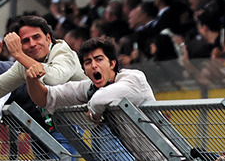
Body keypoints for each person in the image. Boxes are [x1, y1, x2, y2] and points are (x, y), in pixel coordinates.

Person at [25, 36, 154, 120]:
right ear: (84, 71)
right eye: (88, 62)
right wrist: (31, 80)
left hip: (161, 153)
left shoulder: (134, 78)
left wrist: (94, 114)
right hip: (136, 154)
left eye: (99, 59)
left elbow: (99, 100)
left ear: (112, 64)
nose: (93, 65)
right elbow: (45, 98)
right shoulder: (88, 87)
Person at [0, 15, 83, 102]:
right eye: (26, 41)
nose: (32, 44)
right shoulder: (23, 62)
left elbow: (54, 79)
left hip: (88, 118)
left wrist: (19, 54)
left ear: (48, 38)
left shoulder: (63, 51)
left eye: (36, 37)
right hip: (62, 119)